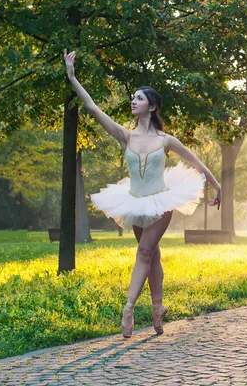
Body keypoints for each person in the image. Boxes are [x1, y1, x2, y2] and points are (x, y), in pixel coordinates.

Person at [63, 49, 221, 338]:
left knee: (144, 252)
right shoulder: (125, 135)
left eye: (139, 98)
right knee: (153, 257)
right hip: (135, 203)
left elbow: (196, 163)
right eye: (133, 97)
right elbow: (94, 108)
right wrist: (72, 77)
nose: (133, 101)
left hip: (161, 201)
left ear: (152, 106)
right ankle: (158, 309)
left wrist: (217, 185)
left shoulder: (166, 140)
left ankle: (128, 307)